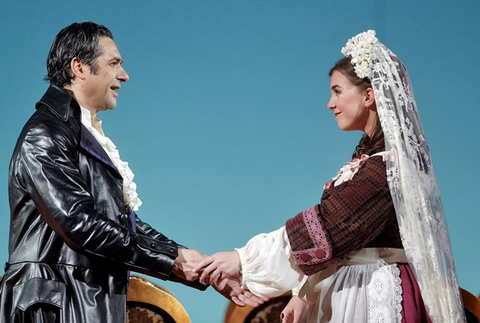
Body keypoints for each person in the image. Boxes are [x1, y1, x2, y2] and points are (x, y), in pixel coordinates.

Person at [194, 30, 466, 323]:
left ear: (368, 96)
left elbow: (329, 229)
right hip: (350, 287)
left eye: (337, 91)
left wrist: (243, 260)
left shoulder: (388, 169)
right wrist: (304, 293)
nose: (330, 103)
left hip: (375, 293)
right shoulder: (369, 165)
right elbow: (340, 243)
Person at [0, 21, 263, 323]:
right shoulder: (45, 133)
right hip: (52, 308)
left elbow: (121, 224)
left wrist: (195, 264)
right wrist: (174, 261)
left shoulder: (79, 132)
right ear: (79, 67)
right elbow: (80, 223)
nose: (123, 75)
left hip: (81, 300)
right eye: (114, 64)